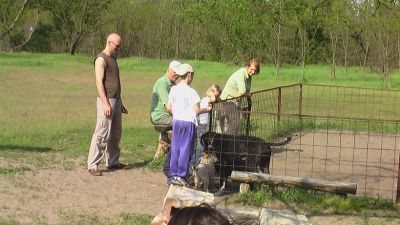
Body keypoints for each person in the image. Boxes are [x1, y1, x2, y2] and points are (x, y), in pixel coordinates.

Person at [87, 32, 128, 176]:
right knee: (102, 132)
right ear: (109, 42)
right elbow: (99, 82)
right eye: (117, 45)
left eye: (119, 45)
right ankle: (93, 165)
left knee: (115, 133)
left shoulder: (113, 58)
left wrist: (120, 102)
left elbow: (116, 82)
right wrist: (105, 103)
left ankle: (113, 162)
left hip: (116, 100)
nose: (118, 48)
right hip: (107, 100)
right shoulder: (101, 59)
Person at [166, 63, 209, 186]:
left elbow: (169, 107)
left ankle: (173, 174)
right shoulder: (192, 92)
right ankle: (181, 175)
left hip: (177, 121)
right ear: (189, 75)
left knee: (176, 147)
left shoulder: (174, 89)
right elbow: (196, 110)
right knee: (186, 149)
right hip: (188, 122)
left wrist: (177, 113)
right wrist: (206, 109)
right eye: (193, 75)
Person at [150, 60, 181, 184]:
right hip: (160, 116)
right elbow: (169, 106)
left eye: (178, 73)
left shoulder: (173, 84)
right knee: (180, 124)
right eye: (174, 72)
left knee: (179, 123)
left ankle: (170, 153)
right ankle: (174, 158)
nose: (176, 75)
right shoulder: (162, 83)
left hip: (168, 115)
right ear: (169, 70)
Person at [219, 58, 261, 135]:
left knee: (234, 125)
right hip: (228, 100)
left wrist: (245, 95)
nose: (253, 72)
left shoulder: (248, 76)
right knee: (235, 123)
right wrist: (246, 94)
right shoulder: (241, 73)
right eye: (252, 69)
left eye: (255, 70)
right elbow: (243, 90)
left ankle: (230, 143)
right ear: (247, 66)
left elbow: (245, 91)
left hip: (235, 102)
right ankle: (224, 141)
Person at [190, 84, 221, 167]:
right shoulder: (206, 99)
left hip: (204, 125)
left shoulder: (208, 100)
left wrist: (215, 96)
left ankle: (194, 164)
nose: (216, 97)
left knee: (202, 146)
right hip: (202, 125)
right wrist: (212, 94)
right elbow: (214, 99)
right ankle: (192, 164)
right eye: (215, 94)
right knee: (201, 146)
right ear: (211, 92)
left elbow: (219, 99)